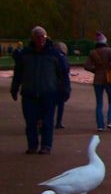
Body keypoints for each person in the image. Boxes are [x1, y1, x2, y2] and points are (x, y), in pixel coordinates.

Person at [10, 26, 71, 154]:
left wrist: (66, 90)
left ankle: (46, 145)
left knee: (47, 121)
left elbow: (63, 74)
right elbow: (18, 73)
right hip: (29, 92)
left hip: (49, 92)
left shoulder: (54, 54)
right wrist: (14, 88)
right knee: (30, 122)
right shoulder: (25, 54)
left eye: (42, 36)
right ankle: (32, 145)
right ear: (33, 38)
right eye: (38, 37)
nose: (40, 39)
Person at [83, 31, 111, 132]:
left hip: (97, 79)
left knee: (99, 103)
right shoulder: (109, 50)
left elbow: (86, 66)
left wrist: (95, 70)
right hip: (109, 79)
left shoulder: (93, 52)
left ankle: (100, 125)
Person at [54, 41, 70, 128]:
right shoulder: (62, 57)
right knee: (60, 104)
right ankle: (58, 122)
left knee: (51, 104)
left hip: (52, 83)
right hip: (61, 83)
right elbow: (65, 70)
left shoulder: (51, 55)